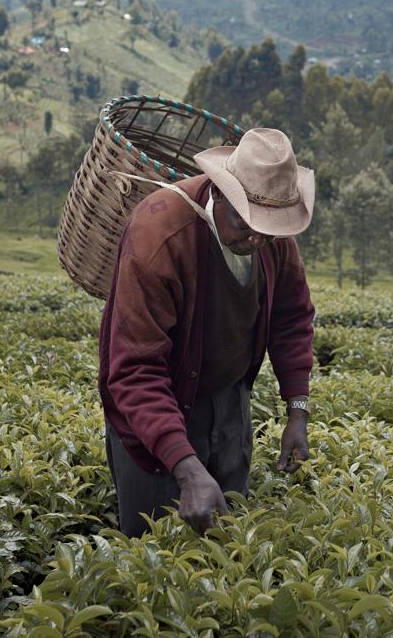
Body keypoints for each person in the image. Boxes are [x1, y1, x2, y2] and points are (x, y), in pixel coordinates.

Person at [99, 127, 315, 537]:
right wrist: (186, 467)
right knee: (156, 555)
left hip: (229, 401)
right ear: (220, 191)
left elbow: (292, 319)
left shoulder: (270, 238)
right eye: (244, 222)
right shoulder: (159, 235)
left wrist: (297, 411)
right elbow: (135, 370)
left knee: (227, 546)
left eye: (268, 230)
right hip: (156, 409)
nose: (256, 238)